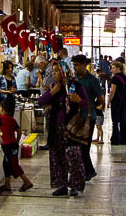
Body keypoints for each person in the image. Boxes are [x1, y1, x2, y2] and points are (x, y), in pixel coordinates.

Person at [36, 62, 89, 196]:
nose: (54, 74)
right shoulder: (53, 87)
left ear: (63, 71)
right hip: (56, 127)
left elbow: (86, 102)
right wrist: (52, 93)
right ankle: (62, 185)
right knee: (57, 157)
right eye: (53, 71)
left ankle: (75, 186)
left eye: (56, 71)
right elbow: (41, 101)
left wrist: (77, 99)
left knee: (74, 156)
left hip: (71, 127)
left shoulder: (75, 86)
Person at [0, 96, 33, 193]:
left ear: (2, 109)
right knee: (6, 164)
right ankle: (7, 185)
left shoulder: (0, 119)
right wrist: (17, 141)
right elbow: (19, 131)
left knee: (14, 165)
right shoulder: (12, 119)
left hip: (8, 146)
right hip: (13, 145)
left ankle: (27, 182)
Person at [72, 54, 102, 179]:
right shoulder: (75, 79)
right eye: (74, 65)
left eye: (77, 65)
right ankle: (87, 171)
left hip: (89, 117)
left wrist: (92, 107)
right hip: (77, 117)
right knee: (78, 146)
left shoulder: (92, 80)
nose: (75, 68)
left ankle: (89, 172)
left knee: (85, 146)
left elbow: (101, 99)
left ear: (84, 65)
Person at [108, 61, 126, 145]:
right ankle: (124, 139)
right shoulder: (125, 77)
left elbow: (112, 90)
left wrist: (108, 101)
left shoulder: (115, 78)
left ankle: (115, 139)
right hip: (124, 101)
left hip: (116, 102)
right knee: (123, 120)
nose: (112, 70)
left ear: (118, 68)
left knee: (115, 121)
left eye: (113, 68)